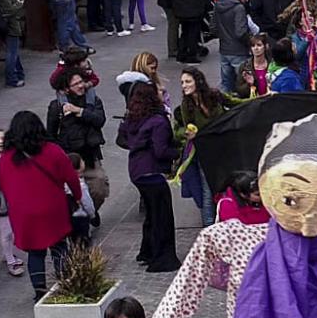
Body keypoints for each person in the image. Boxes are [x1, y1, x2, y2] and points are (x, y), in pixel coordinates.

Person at [0, 111, 82, 298]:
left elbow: (4, 184)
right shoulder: (52, 150)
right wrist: (77, 196)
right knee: (59, 246)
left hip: (23, 212)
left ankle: (40, 291)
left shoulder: (6, 158)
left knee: (35, 253)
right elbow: (71, 177)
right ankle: (65, 284)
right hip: (53, 208)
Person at [117, 83, 180, 272]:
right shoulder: (158, 121)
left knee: (152, 215)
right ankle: (161, 258)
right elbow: (161, 151)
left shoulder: (133, 118)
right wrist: (177, 152)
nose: (164, 93)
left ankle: (147, 251)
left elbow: (122, 140)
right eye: (160, 91)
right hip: (153, 173)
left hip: (137, 171)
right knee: (161, 216)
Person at [174, 67, 236, 226]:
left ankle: (228, 223)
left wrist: (260, 98)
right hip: (204, 152)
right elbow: (181, 128)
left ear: (198, 81)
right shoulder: (186, 105)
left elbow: (235, 103)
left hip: (223, 149)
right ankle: (209, 229)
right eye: (182, 82)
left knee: (227, 187)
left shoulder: (214, 95)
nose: (184, 85)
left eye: (188, 81)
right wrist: (187, 133)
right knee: (208, 192)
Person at [47, 66, 107, 172]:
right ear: (66, 89)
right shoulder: (56, 106)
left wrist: (80, 111)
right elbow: (51, 135)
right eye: (75, 84)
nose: (81, 86)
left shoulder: (92, 100)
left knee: (99, 182)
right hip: (68, 156)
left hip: (91, 156)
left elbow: (100, 120)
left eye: (81, 82)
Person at [0, 128, 24, 275]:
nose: (1, 142)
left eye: (3, 138)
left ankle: (7, 254)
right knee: (7, 232)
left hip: (13, 200)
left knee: (12, 230)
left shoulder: (12, 156)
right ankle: (10, 261)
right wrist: (3, 181)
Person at [214, 0, 254, 94]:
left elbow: (213, 28)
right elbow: (240, 32)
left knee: (226, 83)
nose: (247, 0)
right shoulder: (239, 8)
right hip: (238, 51)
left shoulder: (219, 4)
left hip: (224, 50)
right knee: (243, 84)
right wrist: (251, 42)